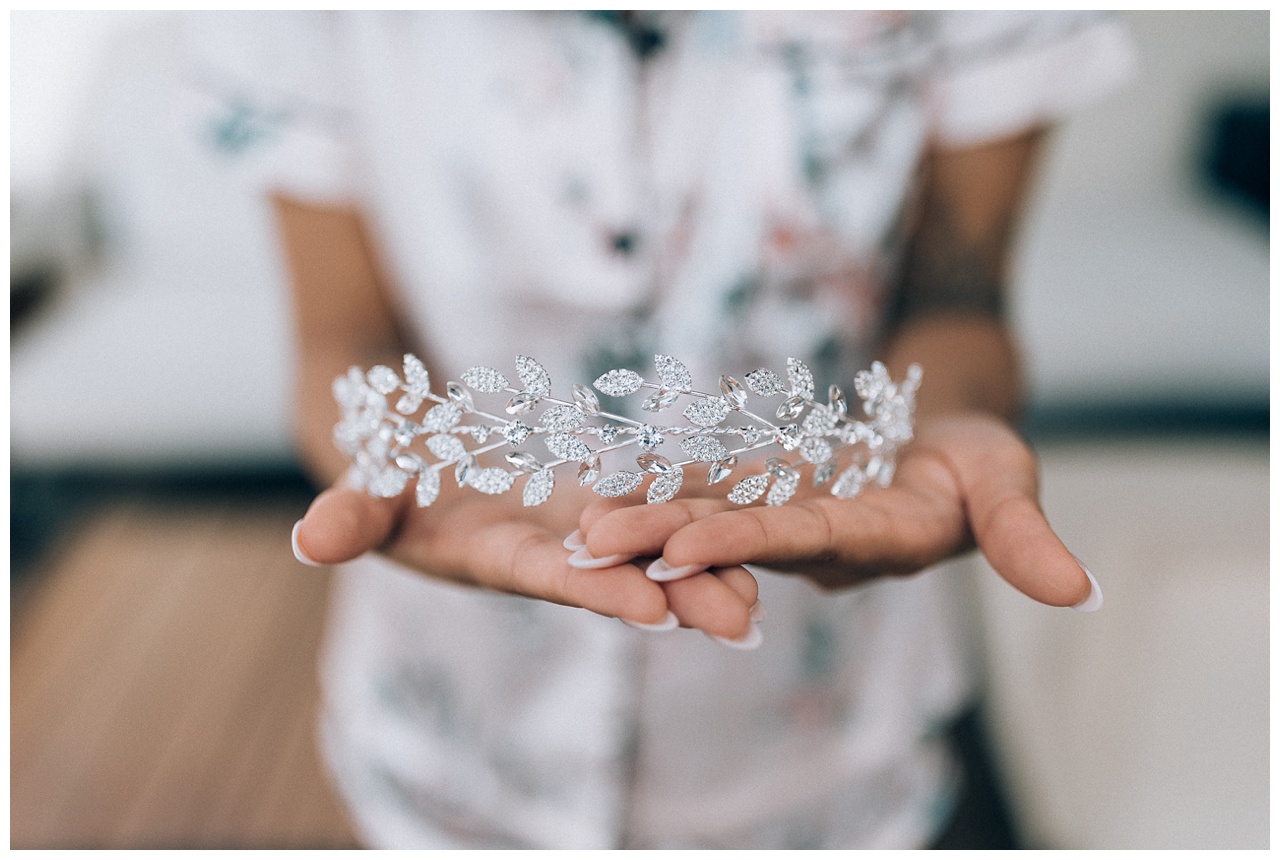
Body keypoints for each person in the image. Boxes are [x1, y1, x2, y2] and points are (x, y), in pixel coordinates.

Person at [185, 11, 1132, 848]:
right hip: (454, 732)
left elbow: (959, 299)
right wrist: (398, 452)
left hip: (823, 754)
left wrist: (938, 427)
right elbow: (341, 337)